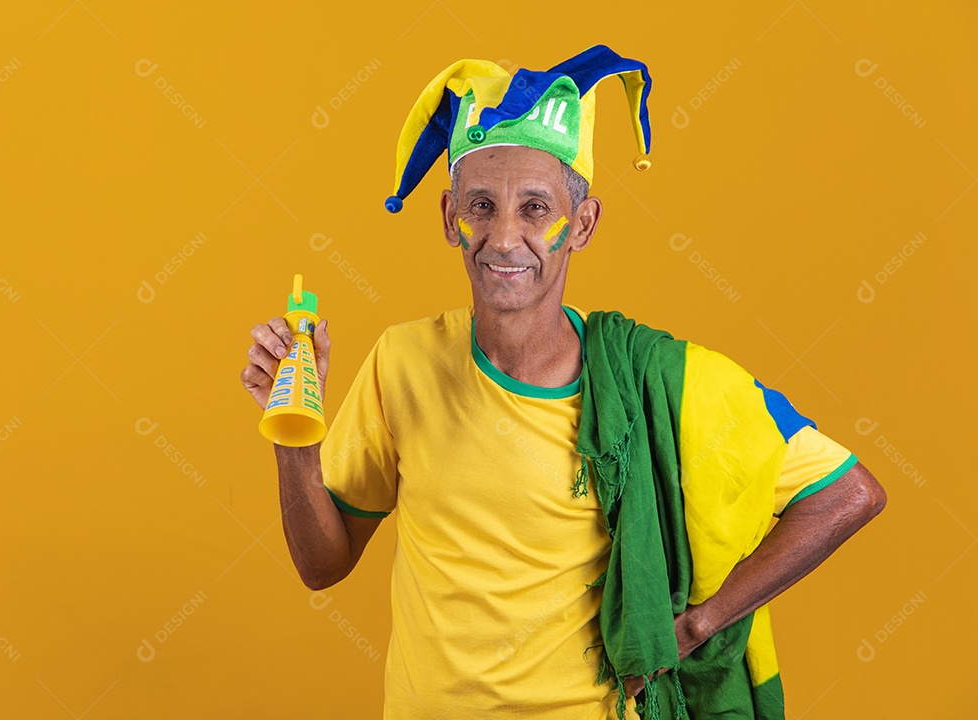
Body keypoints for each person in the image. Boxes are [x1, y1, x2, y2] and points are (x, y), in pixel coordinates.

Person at [241, 45, 887, 720]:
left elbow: (850, 494)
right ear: (448, 218)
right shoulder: (400, 361)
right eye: (481, 205)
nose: (503, 237)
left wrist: (698, 624)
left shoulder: (654, 382)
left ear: (582, 225)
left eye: (535, 208)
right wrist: (294, 438)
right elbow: (322, 565)